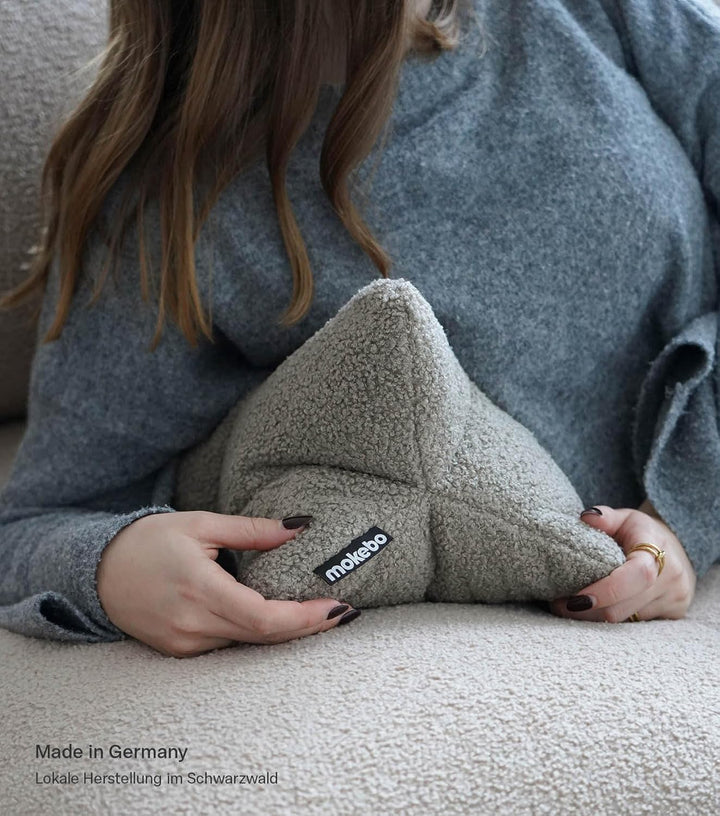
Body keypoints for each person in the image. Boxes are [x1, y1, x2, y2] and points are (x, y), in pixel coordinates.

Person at [1, 0, 719, 659]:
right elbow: (32, 523)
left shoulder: (581, 12)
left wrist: (682, 508)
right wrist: (116, 565)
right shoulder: (170, 200)